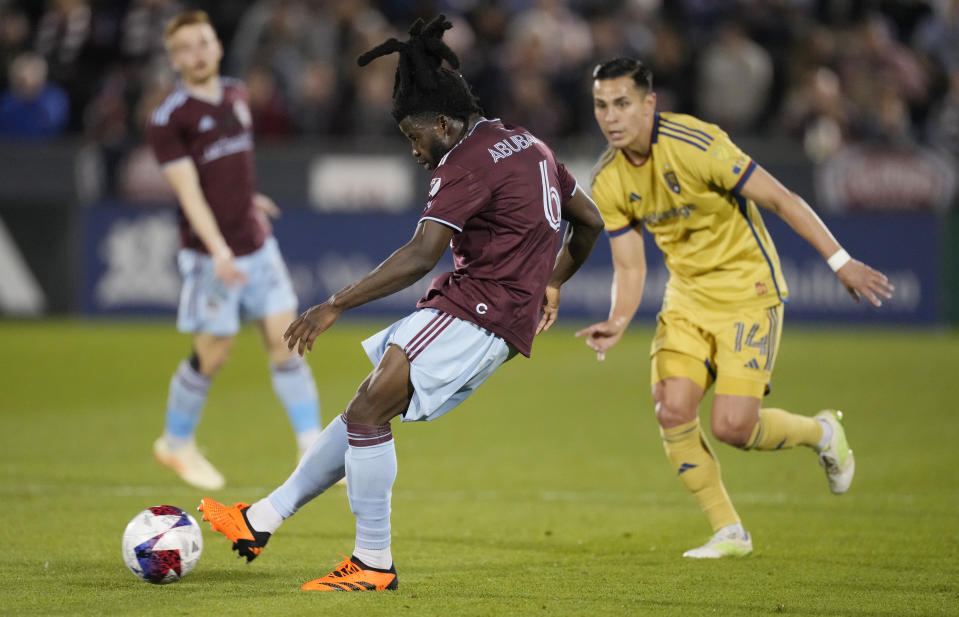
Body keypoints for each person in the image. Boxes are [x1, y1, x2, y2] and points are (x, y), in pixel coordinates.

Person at [198, 15, 603, 591]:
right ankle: (260, 519)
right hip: (488, 311)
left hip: (477, 311)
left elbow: (421, 255)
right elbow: (589, 221)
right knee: (369, 403)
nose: (415, 152)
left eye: (415, 138)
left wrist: (334, 303)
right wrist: (553, 281)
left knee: (368, 412)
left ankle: (372, 563)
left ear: (442, 122)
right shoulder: (527, 142)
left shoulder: (463, 162)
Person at [579, 58, 894, 558]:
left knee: (733, 426)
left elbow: (783, 199)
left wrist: (840, 261)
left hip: (748, 292)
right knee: (672, 408)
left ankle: (822, 432)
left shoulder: (696, 144)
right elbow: (631, 266)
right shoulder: (609, 180)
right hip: (686, 298)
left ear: (649, 104)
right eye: (601, 105)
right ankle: (729, 530)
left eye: (622, 103)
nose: (611, 116)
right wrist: (618, 320)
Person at [146, 11, 324, 490]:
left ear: (218, 47)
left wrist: (249, 201)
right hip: (212, 255)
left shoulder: (236, 94)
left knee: (286, 339)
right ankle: (175, 442)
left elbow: (232, 168)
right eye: (185, 47)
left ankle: (312, 447)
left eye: (203, 42)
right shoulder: (169, 119)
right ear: (174, 58)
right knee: (216, 351)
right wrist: (219, 249)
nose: (197, 53)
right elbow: (189, 192)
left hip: (256, 242)